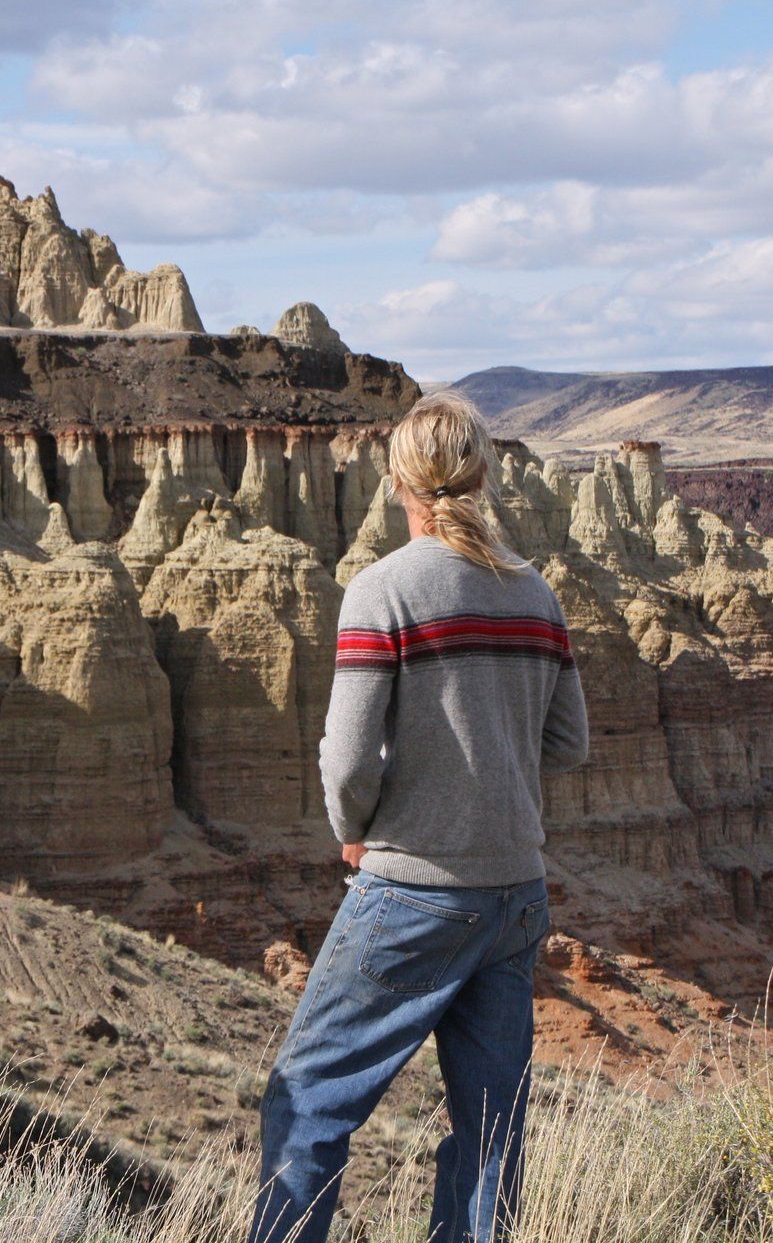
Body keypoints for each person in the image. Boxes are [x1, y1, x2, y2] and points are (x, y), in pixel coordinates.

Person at [249, 392, 589, 1243]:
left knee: (309, 1102)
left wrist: (353, 832)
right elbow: (571, 742)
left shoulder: (383, 590)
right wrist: (491, 759)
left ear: (400, 479)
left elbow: (348, 757)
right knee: (490, 1135)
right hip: (515, 893)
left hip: (411, 890)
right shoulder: (535, 593)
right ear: (484, 476)